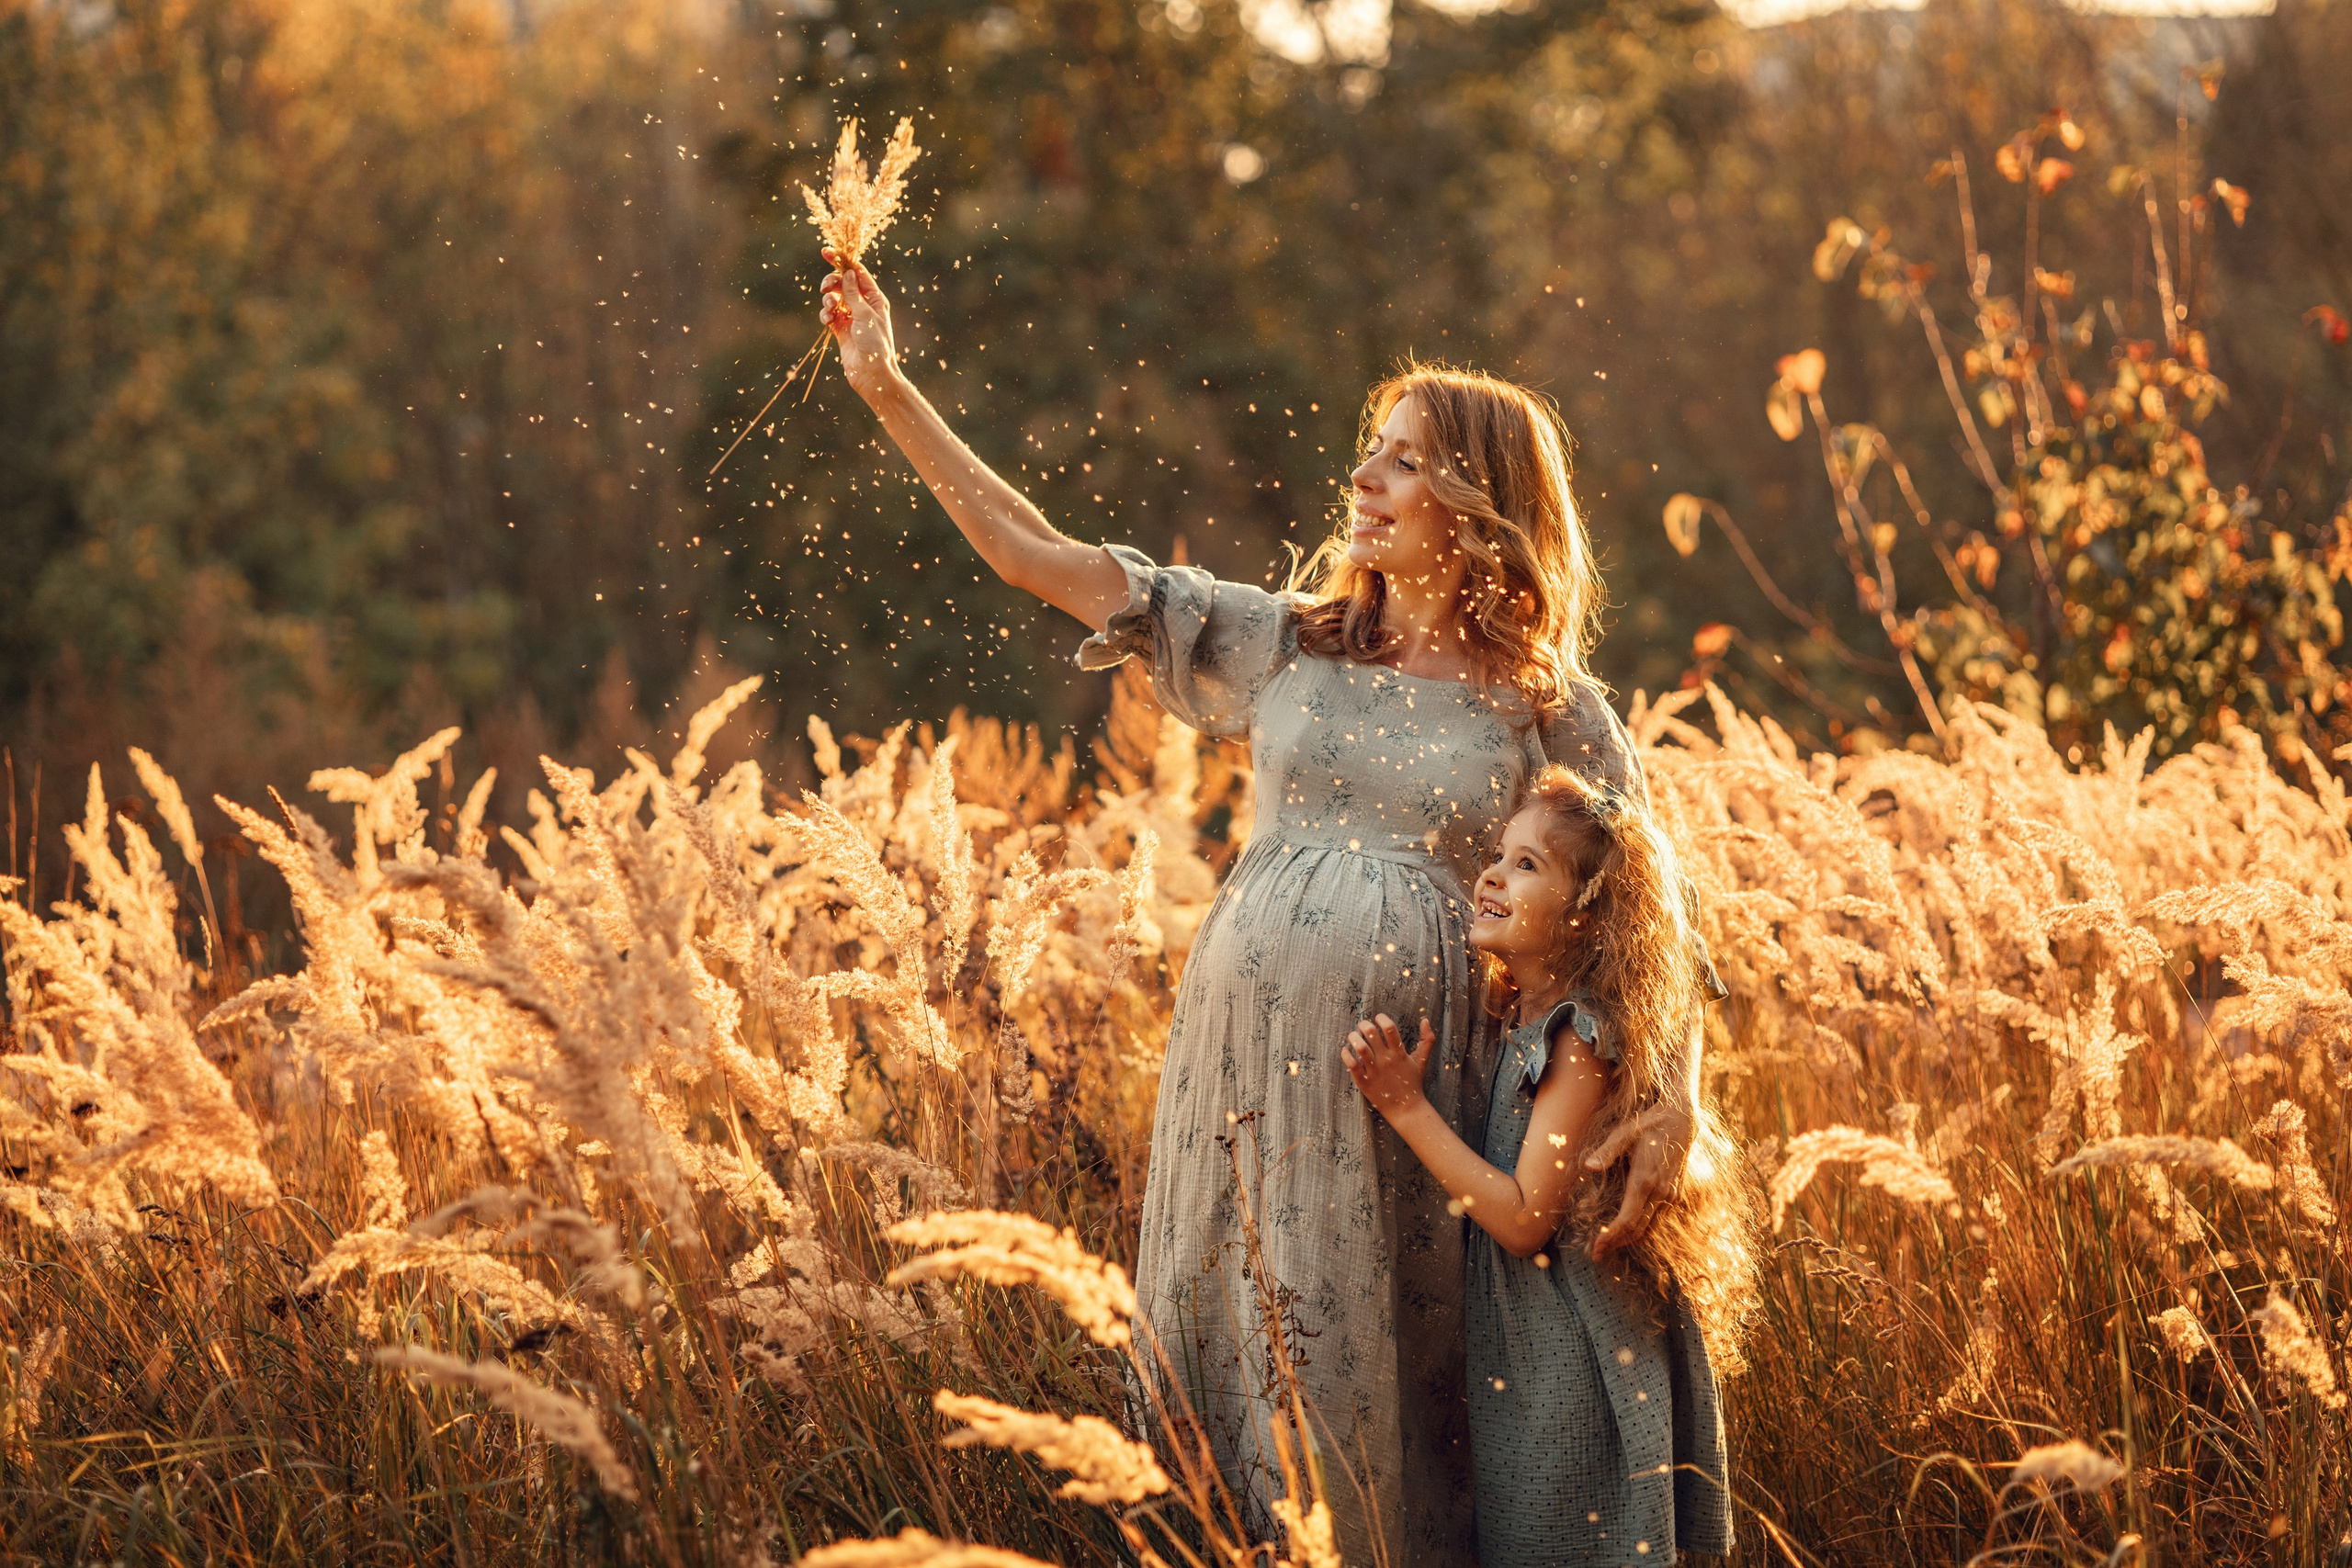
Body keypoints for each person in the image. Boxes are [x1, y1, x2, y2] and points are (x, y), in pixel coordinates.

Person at [819, 255, 1711, 1564]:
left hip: (1422, 1093)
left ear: (1476, 501)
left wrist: (1672, 1099)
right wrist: (887, 387)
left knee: (1396, 1402)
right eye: (1369, 451)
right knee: (1243, 1361)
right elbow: (1032, 557)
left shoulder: (1543, 704)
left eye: (1402, 460)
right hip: (1242, 1073)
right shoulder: (1284, 639)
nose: (1364, 477)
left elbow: (1648, 924)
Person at [1341, 769, 1757, 1565]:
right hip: (1529, 1342)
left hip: (1568, 1354)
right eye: (1499, 855)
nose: (1493, 874)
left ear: (1584, 915)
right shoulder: (1526, 1019)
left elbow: (1526, 1216)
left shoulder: (1577, 1036)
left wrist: (1405, 1106)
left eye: (1527, 864)